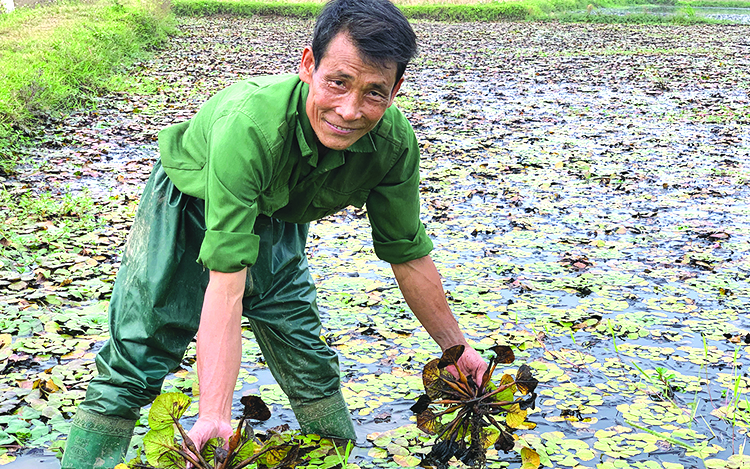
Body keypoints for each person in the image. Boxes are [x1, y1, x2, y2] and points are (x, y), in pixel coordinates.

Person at [60, 0, 487, 467]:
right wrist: (215, 416)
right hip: (189, 209)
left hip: (278, 218)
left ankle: (334, 456)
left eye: (374, 93)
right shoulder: (251, 127)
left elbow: (407, 254)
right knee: (136, 362)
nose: (349, 110)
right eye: (338, 82)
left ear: (395, 90)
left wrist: (454, 349)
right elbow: (226, 286)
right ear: (309, 65)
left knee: (308, 358)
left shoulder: (391, 144)